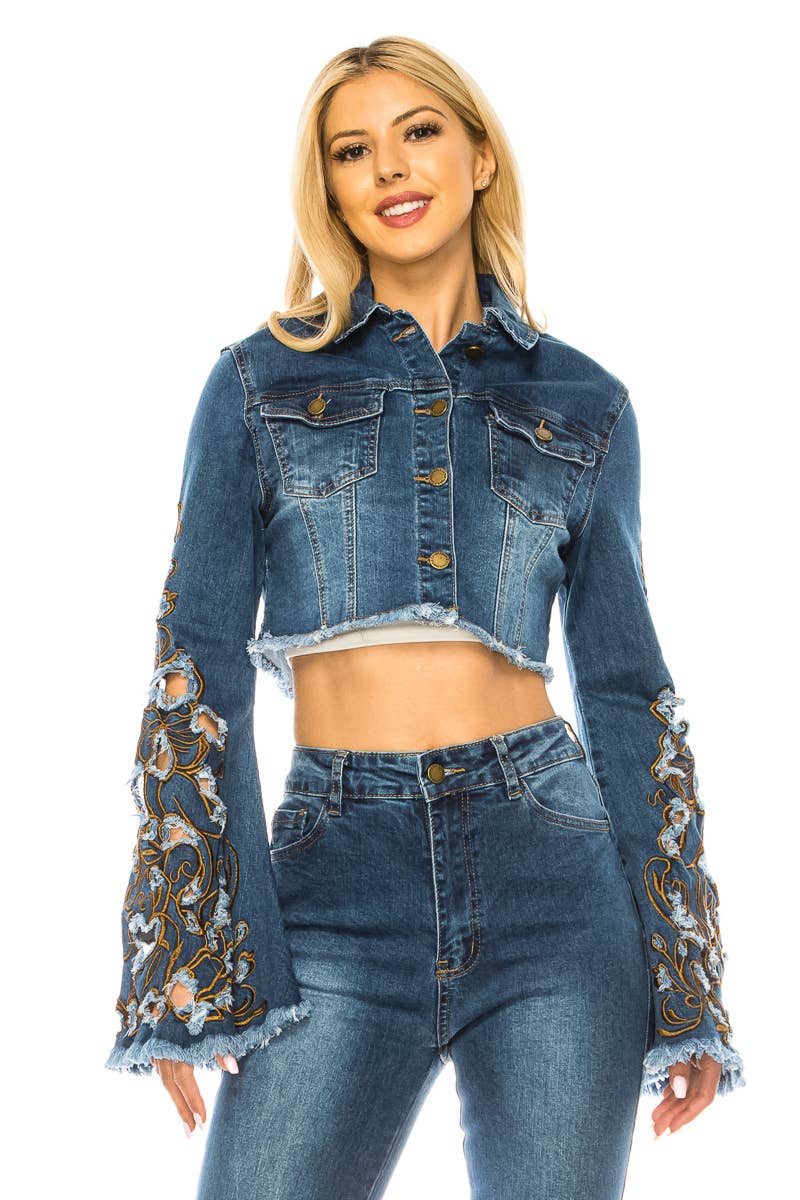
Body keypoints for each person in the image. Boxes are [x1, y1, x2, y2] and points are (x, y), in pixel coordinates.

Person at [104, 34, 746, 1199]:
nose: (390, 168)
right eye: (352, 150)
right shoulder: (257, 382)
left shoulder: (585, 401)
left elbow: (622, 689)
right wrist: (198, 952)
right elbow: (195, 663)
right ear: (329, 187)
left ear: (478, 156)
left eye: (418, 132)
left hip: (552, 872)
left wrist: (684, 979)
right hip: (333, 876)